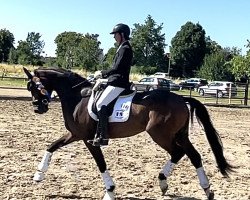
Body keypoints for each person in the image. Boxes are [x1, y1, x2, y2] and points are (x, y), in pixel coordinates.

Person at [90, 23, 133, 146]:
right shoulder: (121, 47)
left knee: (100, 104)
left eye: (115, 34)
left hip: (119, 83)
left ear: (122, 34)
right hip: (115, 80)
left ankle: (103, 136)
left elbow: (117, 68)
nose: (114, 37)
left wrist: (102, 74)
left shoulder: (125, 48)